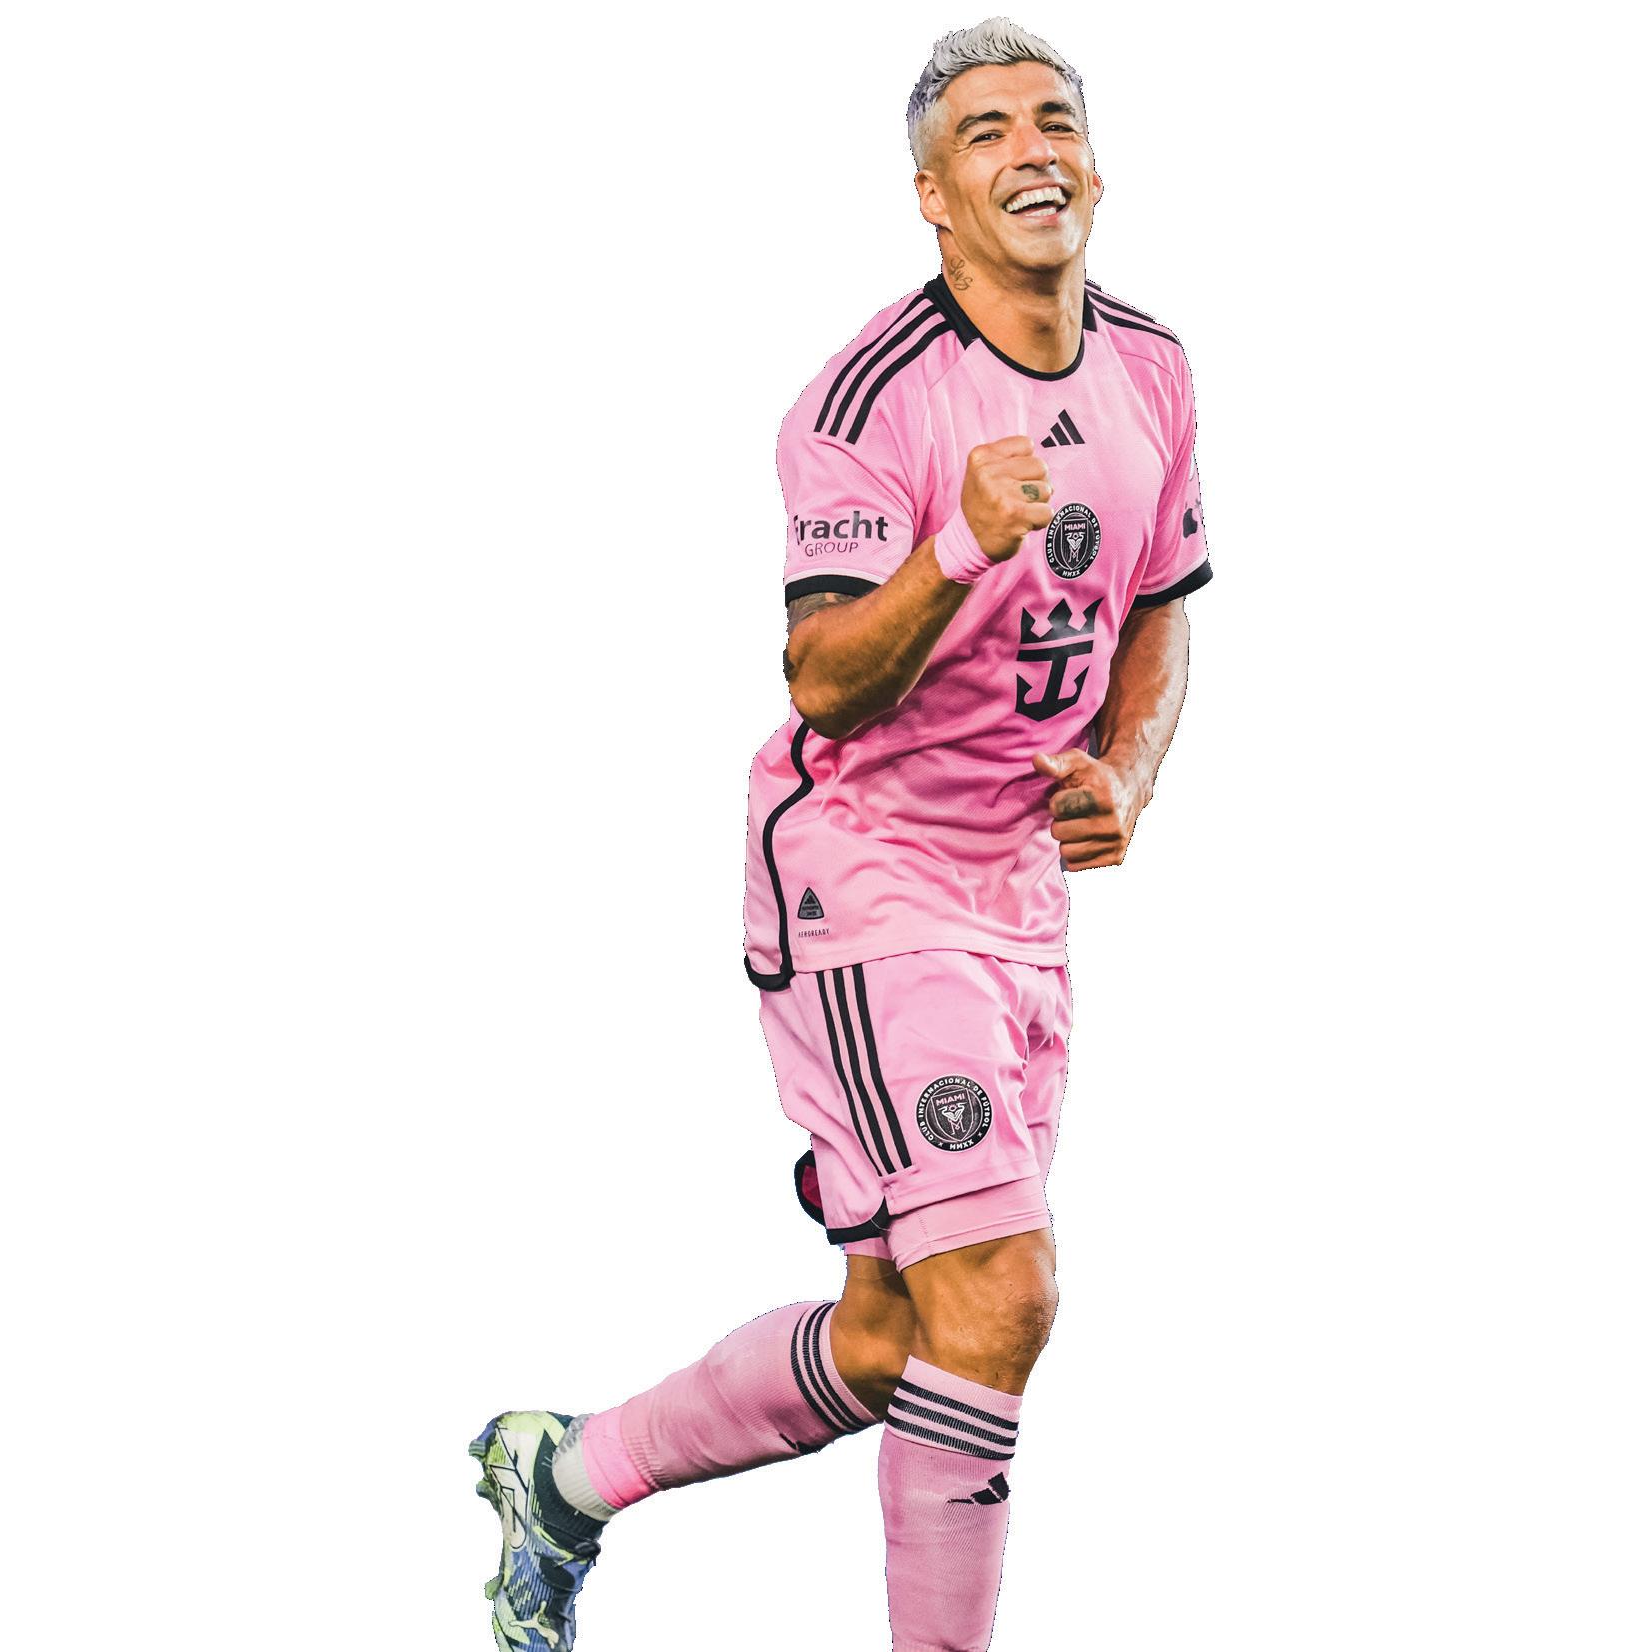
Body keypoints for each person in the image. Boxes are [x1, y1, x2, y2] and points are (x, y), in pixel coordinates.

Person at [469, 18, 1209, 1650]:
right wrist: (958, 547)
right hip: (865, 879)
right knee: (1001, 1297)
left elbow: (1164, 602)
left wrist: (1130, 772)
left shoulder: (1154, 365)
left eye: (1055, 121)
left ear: (1098, 168)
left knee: (898, 1344)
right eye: (986, 134)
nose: (1031, 151)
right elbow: (822, 679)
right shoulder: (866, 399)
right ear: (933, 197)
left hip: (1019, 896)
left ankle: (565, 1479)